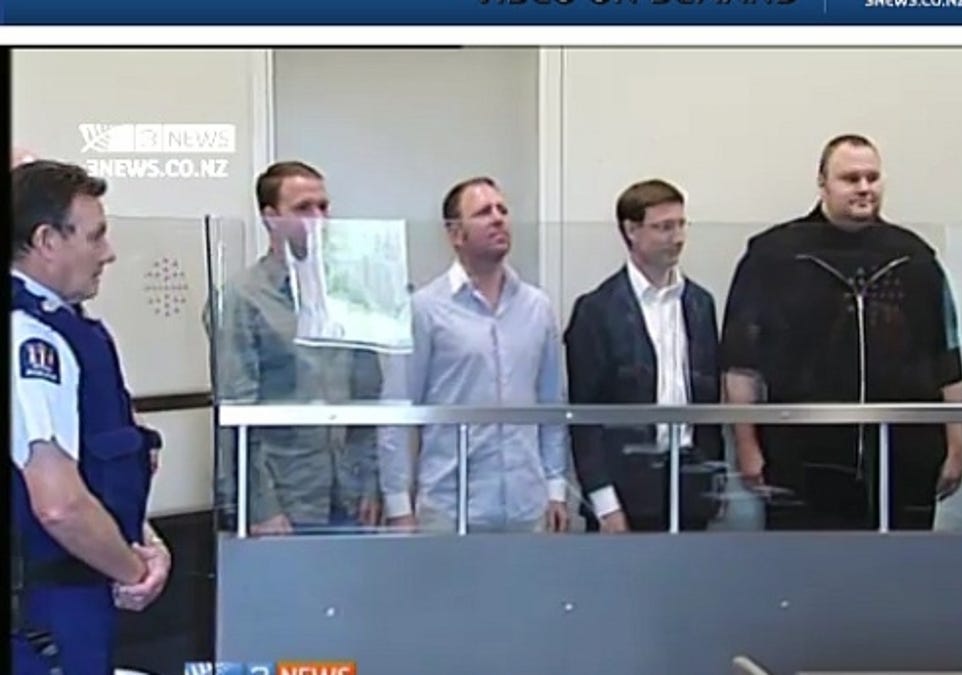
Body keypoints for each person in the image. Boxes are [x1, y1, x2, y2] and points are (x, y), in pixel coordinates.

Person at [720, 134, 962, 531]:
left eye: (872, 177)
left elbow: (946, 360)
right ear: (823, 183)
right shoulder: (775, 255)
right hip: (802, 460)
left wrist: (955, 445)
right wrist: (746, 446)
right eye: (851, 178)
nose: (864, 188)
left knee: (903, 567)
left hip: (905, 458)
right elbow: (740, 365)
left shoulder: (914, 257)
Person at [11, 159, 172, 675]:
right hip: (46, 609)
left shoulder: (67, 329)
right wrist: (133, 571)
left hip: (75, 590)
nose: (109, 253)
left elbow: (97, 474)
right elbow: (60, 505)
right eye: (95, 236)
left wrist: (143, 542)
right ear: (47, 240)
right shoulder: (29, 338)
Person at [379, 176, 569, 534]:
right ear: (456, 234)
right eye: (483, 212)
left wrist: (555, 488)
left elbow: (552, 405)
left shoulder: (537, 307)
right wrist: (399, 506)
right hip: (451, 508)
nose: (498, 218)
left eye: (502, 210)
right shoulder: (425, 309)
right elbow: (397, 411)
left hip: (527, 506)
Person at [209, 161, 382, 535]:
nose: (319, 219)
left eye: (323, 207)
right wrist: (260, 508)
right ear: (271, 218)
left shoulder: (347, 294)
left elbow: (368, 399)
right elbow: (236, 415)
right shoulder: (243, 299)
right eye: (304, 208)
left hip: (348, 493)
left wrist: (370, 482)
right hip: (286, 499)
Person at [563, 179, 723, 533]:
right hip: (626, 490)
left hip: (691, 484)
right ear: (631, 230)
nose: (677, 237)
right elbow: (584, 415)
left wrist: (716, 482)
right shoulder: (597, 310)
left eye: (681, 225)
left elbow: (710, 401)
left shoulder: (700, 303)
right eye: (664, 227)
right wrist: (604, 502)